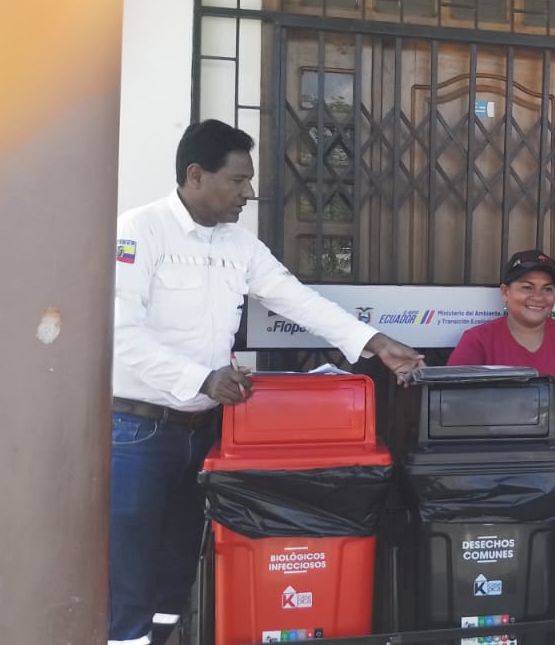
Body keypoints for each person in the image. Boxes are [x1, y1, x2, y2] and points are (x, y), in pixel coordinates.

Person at [111, 119, 425, 645]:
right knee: (128, 569)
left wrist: (375, 343)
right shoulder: (139, 232)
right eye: (238, 180)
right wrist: (203, 378)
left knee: (176, 567)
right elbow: (119, 334)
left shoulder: (239, 245)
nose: (249, 193)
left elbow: (295, 298)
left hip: (203, 433)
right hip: (140, 432)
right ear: (196, 175)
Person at [447, 249, 555, 425]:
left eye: (547, 289)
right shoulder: (477, 339)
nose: (538, 297)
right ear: (505, 292)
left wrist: (533, 412)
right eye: (527, 287)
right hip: (493, 440)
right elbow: (451, 403)